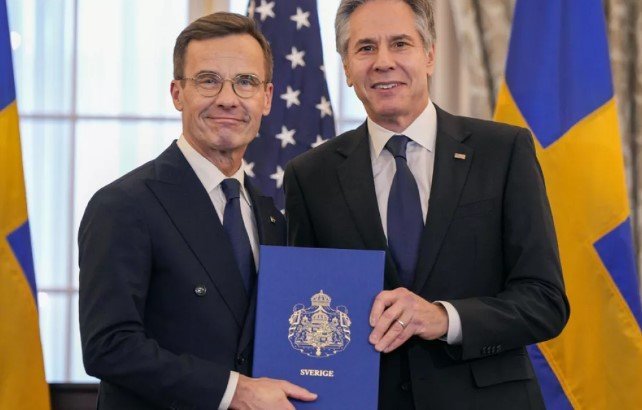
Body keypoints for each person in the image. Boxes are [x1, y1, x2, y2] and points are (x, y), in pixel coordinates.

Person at [283, 0, 570, 408]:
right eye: (365, 48)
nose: (383, 62)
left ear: (430, 55)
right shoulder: (309, 176)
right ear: (346, 67)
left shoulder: (504, 152)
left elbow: (545, 301)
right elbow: (306, 304)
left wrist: (444, 317)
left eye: (400, 43)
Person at [79, 12, 316, 409]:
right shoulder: (123, 205)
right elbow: (109, 346)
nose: (228, 98)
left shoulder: (272, 218)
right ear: (177, 94)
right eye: (208, 80)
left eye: (246, 82)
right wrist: (232, 391)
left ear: (267, 98)